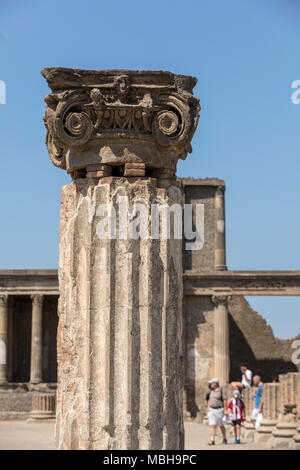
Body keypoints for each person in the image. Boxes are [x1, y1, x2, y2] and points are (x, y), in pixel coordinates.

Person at [206, 378, 228, 445]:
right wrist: (208, 407)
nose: (211, 384)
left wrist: (225, 409)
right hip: (212, 409)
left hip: (219, 409)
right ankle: (212, 440)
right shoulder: (211, 391)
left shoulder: (221, 390)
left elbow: (224, 400)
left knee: (221, 425)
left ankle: (224, 438)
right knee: (213, 425)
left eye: (212, 383)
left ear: (216, 383)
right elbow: (209, 399)